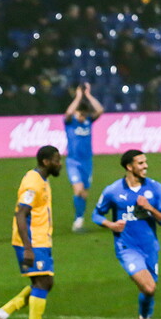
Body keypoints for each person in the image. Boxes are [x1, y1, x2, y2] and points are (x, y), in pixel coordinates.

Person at [92, 150, 161, 319]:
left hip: (150, 248)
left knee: (148, 290)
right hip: (127, 248)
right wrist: (111, 225)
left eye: (146, 162)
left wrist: (150, 208)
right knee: (149, 287)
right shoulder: (113, 190)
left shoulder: (155, 188)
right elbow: (96, 215)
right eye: (141, 163)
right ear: (129, 167)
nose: (146, 166)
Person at [0, 145, 63, 319]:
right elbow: (21, 214)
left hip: (41, 240)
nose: (60, 164)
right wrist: (28, 247)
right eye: (57, 160)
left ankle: (2, 314)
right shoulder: (33, 183)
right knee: (43, 282)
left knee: (44, 283)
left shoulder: (42, 179)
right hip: (32, 241)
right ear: (46, 162)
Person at [63, 83, 103, 232]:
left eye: (84, 115)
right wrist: (78, 97)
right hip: (73, 161)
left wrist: (88, 95)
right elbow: (68, 112)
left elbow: (100, 110)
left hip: (87, 162)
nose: (82, 117)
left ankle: (79, 220)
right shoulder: (69, 122)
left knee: (84, 193)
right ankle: (78, 221)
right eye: (80, 114)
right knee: (78, 190)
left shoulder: (88, 121)